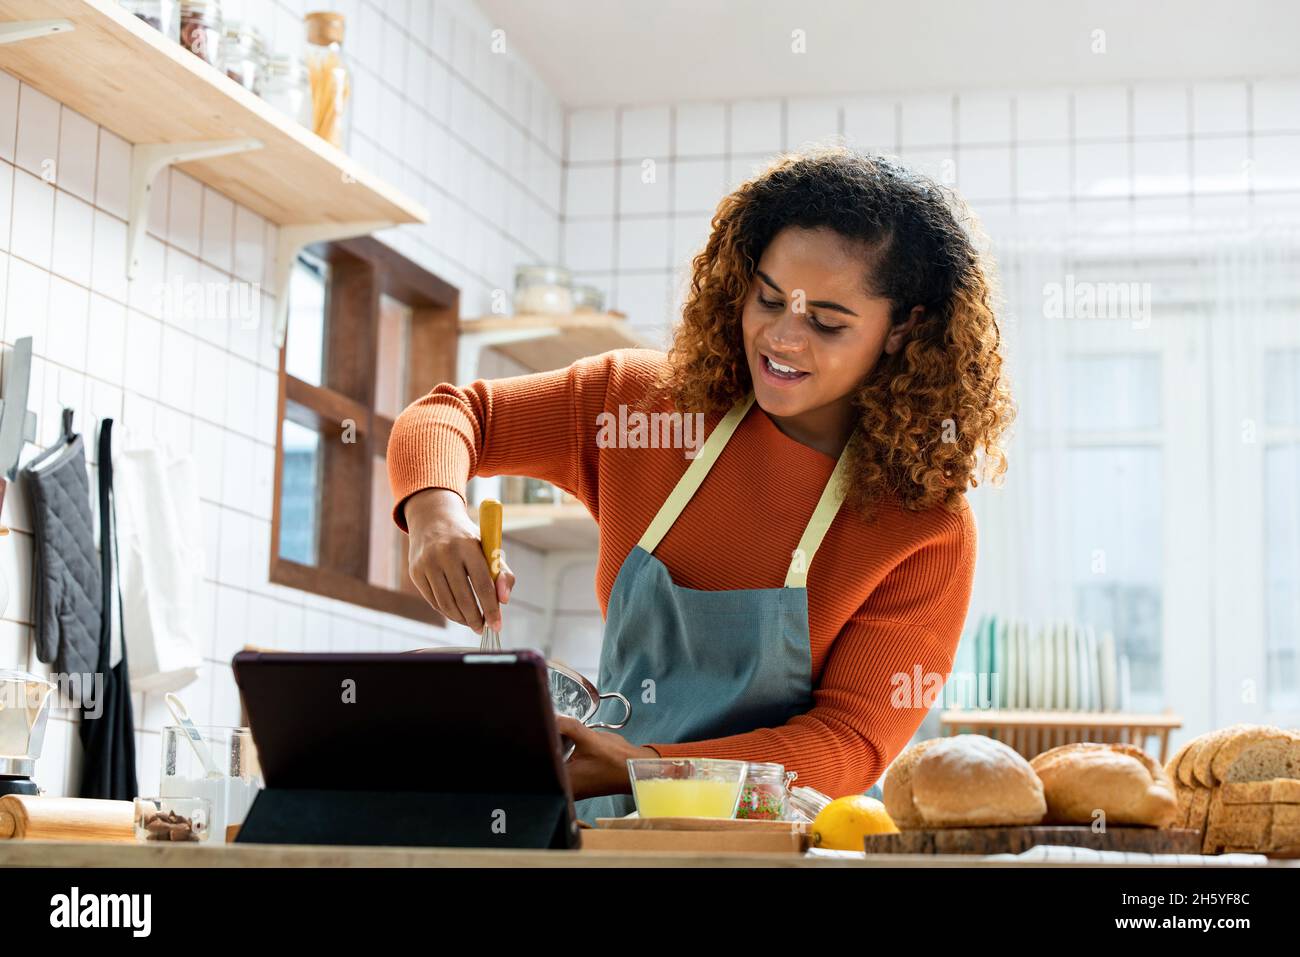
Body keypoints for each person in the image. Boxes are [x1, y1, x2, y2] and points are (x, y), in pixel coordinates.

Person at [387, 145, 1013, 822]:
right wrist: (435, 512)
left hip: (762, 847)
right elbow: (456, 416)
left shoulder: (925, 527)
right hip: (597, 830)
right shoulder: (640, 404)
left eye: (827, 322)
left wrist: (641, 768)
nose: (782, 338)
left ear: (903, 330)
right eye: (767, 298)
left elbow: (849, 742)